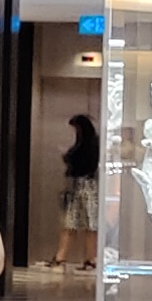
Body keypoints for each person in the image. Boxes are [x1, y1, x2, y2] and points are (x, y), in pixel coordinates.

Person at [52, 106, 101, 267]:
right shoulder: (92, 144)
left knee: (79, 223)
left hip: (82, 187)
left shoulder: (87, 146)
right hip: (84, 187)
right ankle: (89, 257)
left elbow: (77, 160)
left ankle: (64, 257)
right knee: (84, 224)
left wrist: (68, 157)